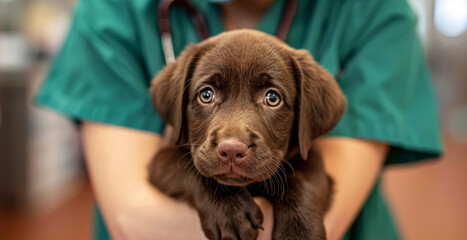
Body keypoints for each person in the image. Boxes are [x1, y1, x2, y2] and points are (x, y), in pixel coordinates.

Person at [35, 0, 443, 239]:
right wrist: (207, 189)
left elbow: (322, 191)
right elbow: (130, 215)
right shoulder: (112, 10)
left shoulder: (376, 12)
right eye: (207, 94)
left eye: (272, 96)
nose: (231, 139)